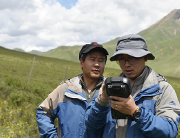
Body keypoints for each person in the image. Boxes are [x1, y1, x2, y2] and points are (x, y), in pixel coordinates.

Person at [85, 34, 180, 138]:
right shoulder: (109, 87)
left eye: (133, 58)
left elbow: (170, 131)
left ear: (145, 57)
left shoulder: (162, 89)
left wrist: (136, 112)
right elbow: (91, 127)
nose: (126, 64)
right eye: (122, 59)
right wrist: (102, 102)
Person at [36, 42, 109, 137]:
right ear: (82, 63)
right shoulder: (66, 89)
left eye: (101, 60)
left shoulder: (110, 91)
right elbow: (43, 112)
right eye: (92, 59)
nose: (97, 64)